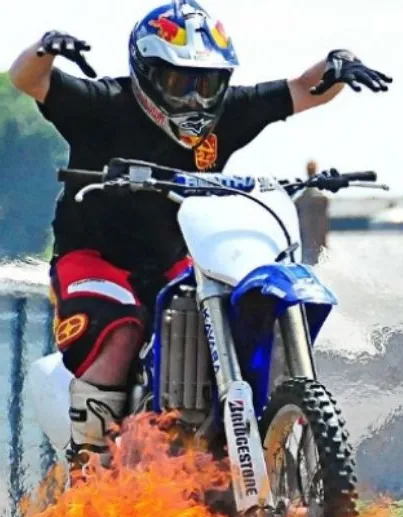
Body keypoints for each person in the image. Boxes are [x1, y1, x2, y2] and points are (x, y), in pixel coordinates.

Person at [9, 1, 393, 470]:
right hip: (95, 259)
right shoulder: (105, 104)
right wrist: (45, 49)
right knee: (122, 334)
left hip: (178, 258)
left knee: (238, 306)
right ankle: (89, 470)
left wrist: (338, 60)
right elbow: (28, 79)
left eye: (207, 83)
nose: (195, 98)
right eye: (179, 82)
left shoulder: (227, 113)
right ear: (147, 73)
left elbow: (300, 90)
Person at [296, 160, 330, 265]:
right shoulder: (321, 199)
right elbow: (323, 224)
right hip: (316, 242)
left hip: (304, 242)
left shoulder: (299, 200)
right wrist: (325, 244)